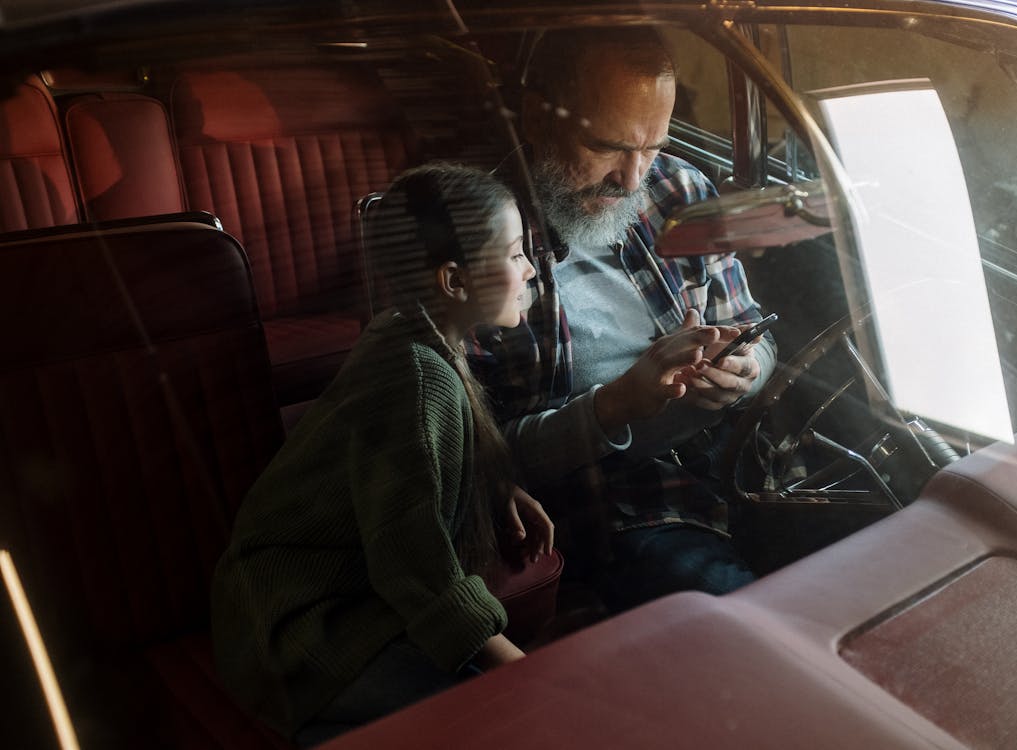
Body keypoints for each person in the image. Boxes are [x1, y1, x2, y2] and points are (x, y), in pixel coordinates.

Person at [211, 163, 553, 746]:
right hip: (299, 629)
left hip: (343, 600)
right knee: (491, 718)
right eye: (516, 253)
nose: (529, 270)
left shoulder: (417, 332)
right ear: (454, 281)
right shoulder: (417, 377)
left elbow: (420, 470)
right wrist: (536, 677)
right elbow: (416, 570)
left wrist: (494, 490)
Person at [468, 27, 778, 613]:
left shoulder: (681, 188)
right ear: (537, 118)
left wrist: (747, 368)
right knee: (747, 621)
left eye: (653, 147)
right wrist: (615, 406)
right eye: (609, 146)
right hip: (623, 505)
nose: (634, 179)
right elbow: (475, 463)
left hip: (753, 465)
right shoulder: (478, 242)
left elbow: (754, 328)